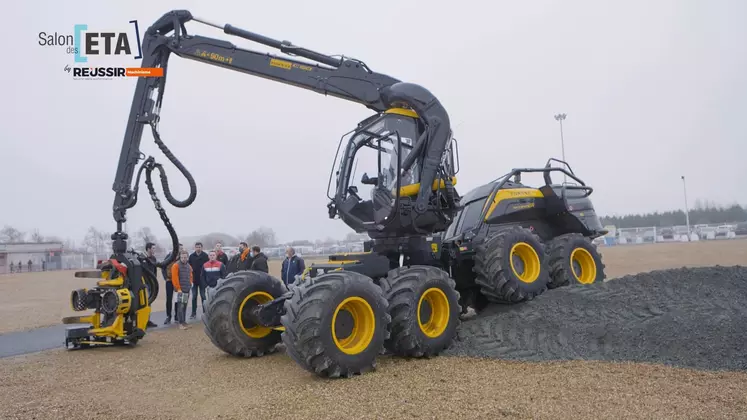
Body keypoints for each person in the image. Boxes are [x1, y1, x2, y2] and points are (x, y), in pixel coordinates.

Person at [170, 250, 193, 330]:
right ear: (180, 257)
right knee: (180, 306)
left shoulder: (189, 266)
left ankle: (184, 322)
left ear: (187, 257)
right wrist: (178, 288)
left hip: (187, 289)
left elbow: (190, 276)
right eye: (182, 257)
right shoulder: (175, 266)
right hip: (180, 290)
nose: (184, 259)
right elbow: (174, 278)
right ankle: (180, 323)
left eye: (185, 257)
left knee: (185, 306)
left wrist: (190, 284)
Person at [162, 243, 184, 325]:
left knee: (177, 299)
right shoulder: (169, 256)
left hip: (178, 282)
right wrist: (165, 277)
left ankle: (176, 316)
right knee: (169, 299)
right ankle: (168, 316)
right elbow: (163, 267)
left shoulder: (182, 258)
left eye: (181, 248)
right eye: (179, 248)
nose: (180, 250)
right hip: (169, 281)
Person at [188, 242, 210, 319]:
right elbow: (189, 268)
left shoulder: (205, 256)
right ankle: (193, 313)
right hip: (194, 280)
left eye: (199, 247)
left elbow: (207, 267)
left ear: (202, 247)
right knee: (194, 296)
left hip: (202, 280)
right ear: (195, 248)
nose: (198, 248)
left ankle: (205, 312)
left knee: (203, 296)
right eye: (197, 247)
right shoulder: (191, 256)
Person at [143, 242, 159, 328]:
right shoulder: (142, 259)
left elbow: (155, 271)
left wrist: (154, 282)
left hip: (151, 284)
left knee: (149, 302)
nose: (154, 250)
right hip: (144, 284)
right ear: (148, 249)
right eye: (153, 248)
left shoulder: (154, 258)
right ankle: (143, 321)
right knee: (145, 303)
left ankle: (147, 320)